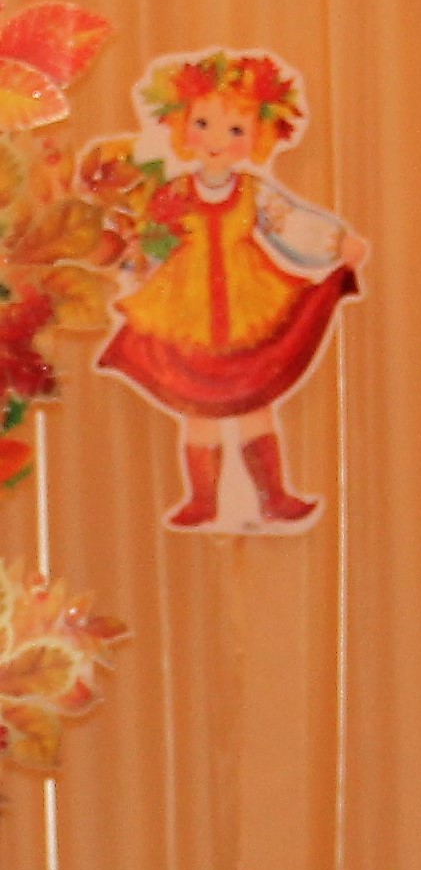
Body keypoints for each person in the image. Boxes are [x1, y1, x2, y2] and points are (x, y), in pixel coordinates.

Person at [95, 49, 366, 531]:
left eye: (235, 129)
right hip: (187, 314)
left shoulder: (254, 194)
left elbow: (290, 223)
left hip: (249, 308)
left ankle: (273, 496)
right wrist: (128, 261)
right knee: (197, 410)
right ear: (182, 127)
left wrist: (335, 243)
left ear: (257, 139)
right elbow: (152, 243)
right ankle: (203, 500)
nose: (218, 140)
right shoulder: (173, 195)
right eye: (204, 124)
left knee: (254, 404)